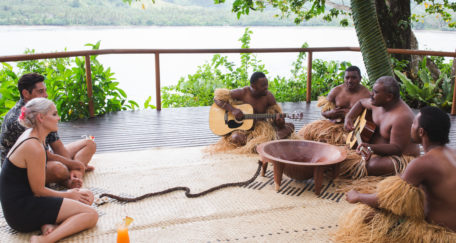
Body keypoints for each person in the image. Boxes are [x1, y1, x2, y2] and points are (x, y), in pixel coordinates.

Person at [334, 106, 456, 242]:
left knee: (369, 218)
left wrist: (357, 196)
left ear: (421, 132)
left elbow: (387, 201)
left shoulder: (422, 163)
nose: (411, 126)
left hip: (440, 235)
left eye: (414, 123)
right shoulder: (452, 154)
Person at [0, 98, 98, 243]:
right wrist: (69, 194)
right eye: (54, 114)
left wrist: (70, 192)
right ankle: (46, 239)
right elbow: (39, 190)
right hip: (21, 212)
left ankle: (47, 223)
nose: (58, 118)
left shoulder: (33, 136)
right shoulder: (33, 146)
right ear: (41, 117)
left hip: (26, 202)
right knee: (91, 215)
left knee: (87, 196)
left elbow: (36, 187)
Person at [0, 73, 96, 188]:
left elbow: (58, 147)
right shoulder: (20, 119)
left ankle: (74, 175)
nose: (45, 95)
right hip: (23, 168)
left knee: (89, 144)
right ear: (26, 93)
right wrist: (75, 164)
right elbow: (44, 155)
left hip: (44, 156)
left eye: (45, 91)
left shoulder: (43, 108)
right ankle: (69, 178)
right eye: (40, 92)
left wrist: (75, 166)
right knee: (59, 169)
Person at [342, 76, 420, 178]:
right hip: (376, 148)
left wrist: (370, 147)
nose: (371, 94)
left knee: (370, 166)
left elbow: (397, 148)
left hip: (400, 156)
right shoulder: (377, 103)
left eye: (375, 92)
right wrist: (349, 117)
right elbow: (360, 102)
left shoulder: (402, 117)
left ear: (389, 97)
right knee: (342, 151)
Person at [209, 71, 295, 153]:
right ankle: (264, 144)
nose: (266, 87)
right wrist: (232, 110)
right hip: (244, 131)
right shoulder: (242, 93)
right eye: (263, 85)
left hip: (262, 129)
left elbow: (279, 121)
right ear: (253, 86)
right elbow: (217, 98)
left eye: (267, 84)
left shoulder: (269, 96)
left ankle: (259, 144)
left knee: (290, 127)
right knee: (236, 137)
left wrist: (280, 121)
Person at [297, 66, 370, 145]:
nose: (350, 81)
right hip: (334, 125)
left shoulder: (366, 94)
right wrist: (331, 113)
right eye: (347, 78)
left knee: (344, 143)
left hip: (353, 128)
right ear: (344, 78)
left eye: (353, 78)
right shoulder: (336, 91)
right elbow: (323, 112)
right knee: (310, 133)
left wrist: (351, 115)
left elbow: (369, 116)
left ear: (360, 78)